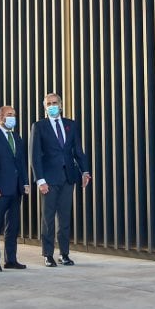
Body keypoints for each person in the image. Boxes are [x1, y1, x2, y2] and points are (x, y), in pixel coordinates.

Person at [30, 92, 92, 267]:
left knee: (64, 217)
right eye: (48, 104)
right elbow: (35, 156)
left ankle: (64, 253)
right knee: (48, 218)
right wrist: (40, 180)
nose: (52, 106)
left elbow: (77, 151)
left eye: (54, 102)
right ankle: (48, 254)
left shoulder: (70, 125)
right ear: (45, 108)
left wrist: (85, 171)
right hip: (48, 179)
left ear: (61, 105)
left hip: (67, 177)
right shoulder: (39, 126)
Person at [0, 105, 30, 272]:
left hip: (16, 189)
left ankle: (11, 259)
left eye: (14, 115)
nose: (12, 117)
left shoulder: (16, 137)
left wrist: (25, 183)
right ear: (0, 117)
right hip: (0, 190)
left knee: (13, 226)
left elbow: (21, 162)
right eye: (9, 114)